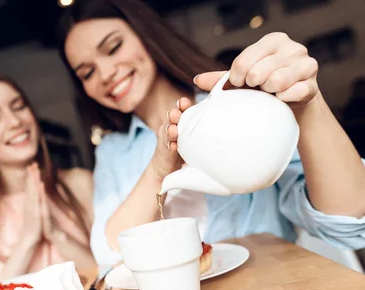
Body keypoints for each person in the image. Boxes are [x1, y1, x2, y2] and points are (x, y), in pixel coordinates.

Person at [56, 0, 365, 266]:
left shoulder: (238, 104)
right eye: (87, 72)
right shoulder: (113, 149)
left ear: (146, 35)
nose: (106, 73)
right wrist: (158, 171)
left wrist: (308, 103)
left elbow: (347, 224)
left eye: (113, 47)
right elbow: (111, 257)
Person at [0, 72, 94, 290]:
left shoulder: (80, 183)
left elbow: (108, 277)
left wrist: (56, 234)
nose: (15, 122)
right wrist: (28, 239)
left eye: (18, 106)